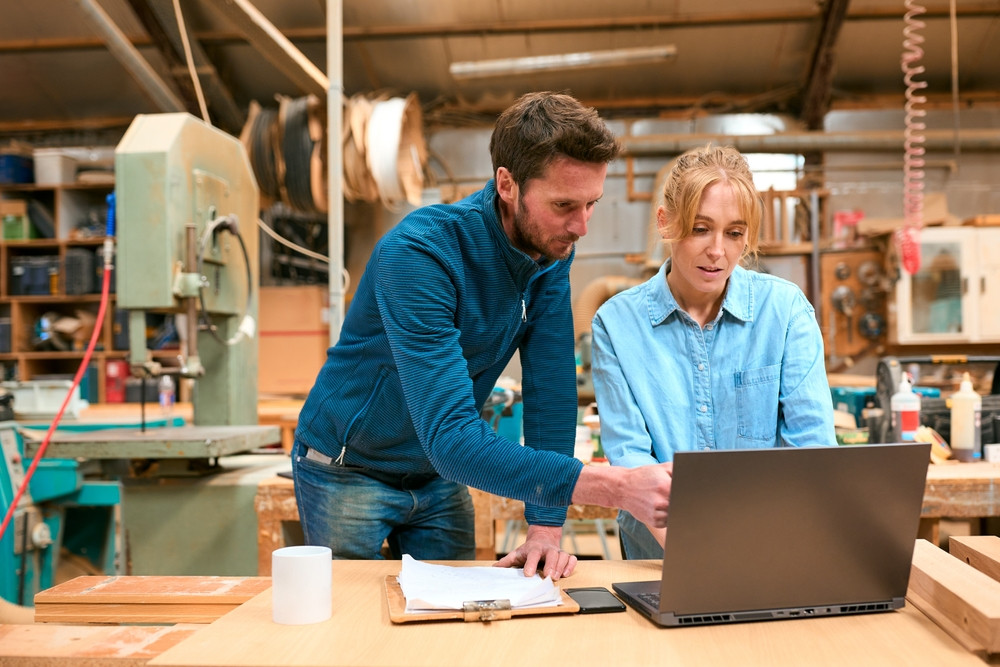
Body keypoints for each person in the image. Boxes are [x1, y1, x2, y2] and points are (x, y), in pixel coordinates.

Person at [293, 91, 674, 580]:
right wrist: (615, 487)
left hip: (437, 475)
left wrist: (544, 526)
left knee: (452, 632)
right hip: (348, 469)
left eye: (591, 204)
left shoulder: (551, 251)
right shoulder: (420, 255)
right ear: (507, 184)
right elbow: (452, 438)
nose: (581, 226)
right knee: (354, 630)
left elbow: (552, 394)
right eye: (563, 205)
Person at [591, 144, 836, 559]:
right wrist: (698, 561)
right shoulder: (616, 325)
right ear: (666, 223)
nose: (718, 250)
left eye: (734, 233)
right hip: (661, 559)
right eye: (700, 228)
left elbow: (811, 452)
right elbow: (633, 463)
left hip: (770, 551)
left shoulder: (785, 311)